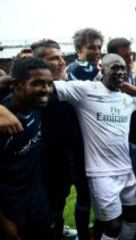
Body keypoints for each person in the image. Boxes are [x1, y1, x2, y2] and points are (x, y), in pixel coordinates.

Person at [54, 54, 136, 240]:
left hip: (126, 169)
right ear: (102, 69)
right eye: (115, 67)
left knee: (132, 214)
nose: (120, 71)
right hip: (100, 173)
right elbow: (46, 86)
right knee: (112, 225)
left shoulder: (127, 99)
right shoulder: (85, 90)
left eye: (123, 68)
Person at [31, 39, 90, 240]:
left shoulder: (70, 87)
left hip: (77, 155)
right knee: (54, 205)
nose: (62, 62)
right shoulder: (30, 92)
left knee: (81, 198)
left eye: (61, 57)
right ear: (38, 63)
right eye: (54, 58)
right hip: (49, 160)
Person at [0, 57, 54, 240]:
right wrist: (3, 221)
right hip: (9, 208)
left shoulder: (36, 104)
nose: (46, 90)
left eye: (49, 83)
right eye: (38, 84)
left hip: (35, 197)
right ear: (17, 85)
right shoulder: (3, 121)